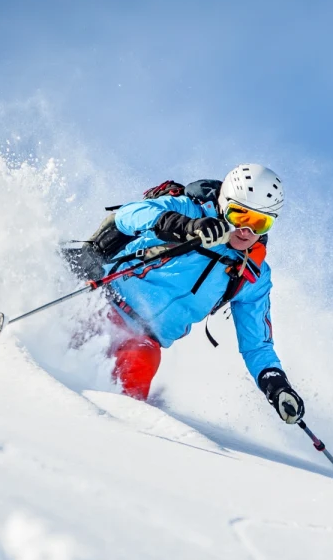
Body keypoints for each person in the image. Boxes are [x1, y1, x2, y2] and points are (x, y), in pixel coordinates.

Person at [68, 164, 305, 424]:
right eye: (239, 215)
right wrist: (185, 225)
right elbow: (128, 215)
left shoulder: (251, 276)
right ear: (224, 204)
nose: (246, 230)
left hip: (142, 340)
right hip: (102, 301)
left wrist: (277, 386)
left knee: (134, 383)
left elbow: (257, 345)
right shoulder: (190, 210)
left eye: (260, 222)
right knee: (65, 343)